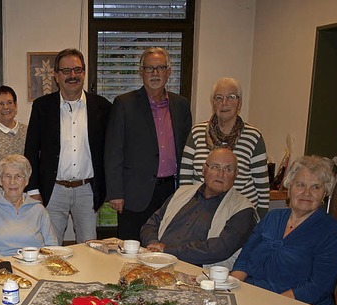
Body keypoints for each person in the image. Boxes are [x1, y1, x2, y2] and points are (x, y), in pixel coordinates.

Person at [232, 156, 337, 305]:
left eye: (315, 187)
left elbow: (318, 287)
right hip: (254, 298)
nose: (307, 192)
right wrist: (230, 288)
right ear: (289, 187)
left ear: (324, 192)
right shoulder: (273, 217)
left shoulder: (331, 232)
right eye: (300, 185)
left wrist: (271, 304)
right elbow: (244, 259)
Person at [24, 48, 111, 244]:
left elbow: (111, 151)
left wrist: (109, 188)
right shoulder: (42, 107)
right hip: (53, 190)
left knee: (90, 247)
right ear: (56, 76)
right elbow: (30, 150)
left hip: (87, 190)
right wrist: (33, 190)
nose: (73, 75)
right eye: (66, 71)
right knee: (51, 247)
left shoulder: (102, 107)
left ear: (84, 73)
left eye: (77, 70)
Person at [105, 47, 192, 241]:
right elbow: (113, 152)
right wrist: (115, 193)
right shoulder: (124, 104)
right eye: (149, 68)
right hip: (135, 194)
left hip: (171, 191)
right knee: (131, 250)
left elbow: (187, 150)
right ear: (140, 72)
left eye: (160, 68)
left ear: (168, 72)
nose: (155, 73)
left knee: (165, 246)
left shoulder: (181, 105)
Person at [140, 148, 257, 269]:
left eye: (228, 169)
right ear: (204, 169)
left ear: (236, 174)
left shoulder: (243, 209)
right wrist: (153, 244)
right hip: (155, 261)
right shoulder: (182, 193)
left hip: (199, 275)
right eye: (215, 167)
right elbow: (151, 224)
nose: (221, 174)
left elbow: (220, 249)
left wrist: (167, 250)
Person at [179, 77, 269, 218]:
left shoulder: (253, 136)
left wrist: (260, 222)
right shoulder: (197, 133)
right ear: (213, 103)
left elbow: (262, 187)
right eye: (218, 98)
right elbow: (185, 181)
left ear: (239, 103)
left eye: (231, 97)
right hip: (200, 215)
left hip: (239, 215)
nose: (224, 103)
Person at [0, 154, 58, 262]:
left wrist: (38, 261)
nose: (12, 182)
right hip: (0, 268)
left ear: (26, 181)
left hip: (35, 266)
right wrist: (1, 262)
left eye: (18, 176)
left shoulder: (38, 210)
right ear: (0, 181)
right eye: (7, 176)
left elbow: (52, 246)